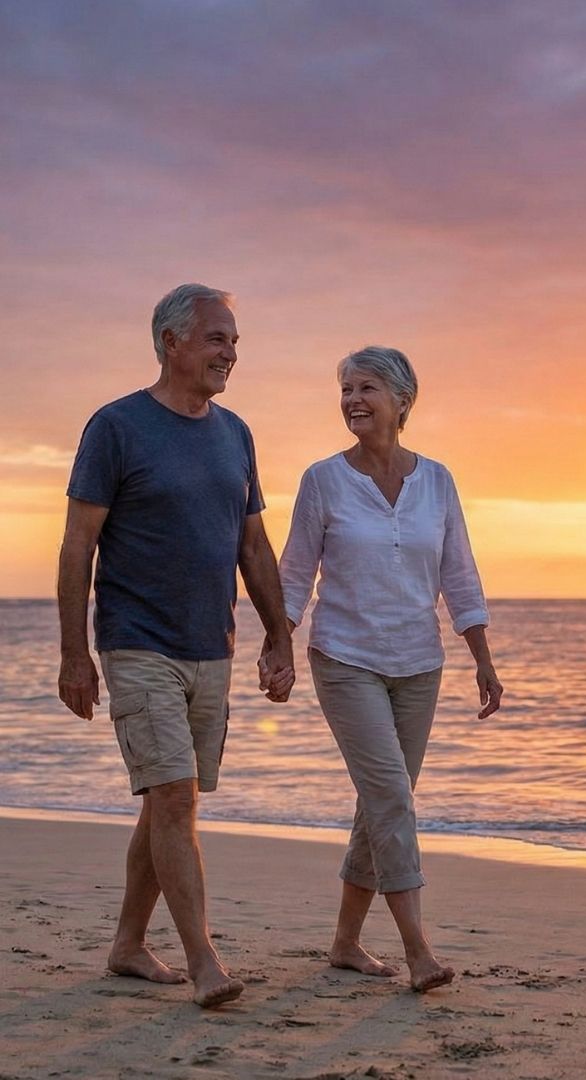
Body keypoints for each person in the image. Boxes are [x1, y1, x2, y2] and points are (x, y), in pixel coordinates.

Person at [57, 283, 295, 1008]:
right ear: (171, 341)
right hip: (138, 643)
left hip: (210, 648)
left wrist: (279, 636)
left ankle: (128, 945)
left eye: (235, 342)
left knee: (170, 806)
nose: (230, 353)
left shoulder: (236, 433)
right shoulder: (116, 427)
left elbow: (252, 546)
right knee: (172, 795)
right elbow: (77, 546)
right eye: (218, 339)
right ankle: (204, 961)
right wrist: (75, 653)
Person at [274, 345, 502, 992]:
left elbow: (460, 573)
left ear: (403, 400)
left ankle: (345, 943)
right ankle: (418, 951)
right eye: (346, 388)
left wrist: (481, 657)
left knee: (379, 806)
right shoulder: (323, 480)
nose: (352, 399)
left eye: (366, 387)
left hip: (418, 665)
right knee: (393, 800)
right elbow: (294, 574)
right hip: (345, 658)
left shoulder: (438, 481)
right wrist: (277, 645)